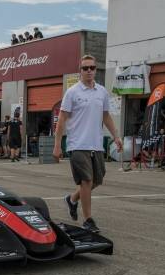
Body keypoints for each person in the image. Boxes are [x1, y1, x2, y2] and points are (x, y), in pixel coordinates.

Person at [53, 55, 123, 233]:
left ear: (96, 70)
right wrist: (57, 144)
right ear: (80, 71)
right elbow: (62, 119)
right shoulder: (72, 92)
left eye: (92, 67)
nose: (89, 71)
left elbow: (106, 116)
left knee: (97, 180)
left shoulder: (102, 92)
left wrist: (116, 136)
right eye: (85, 68)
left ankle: (72, 199)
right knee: (86, 180)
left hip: (96, 144)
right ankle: (88, 220)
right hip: (77, 144)